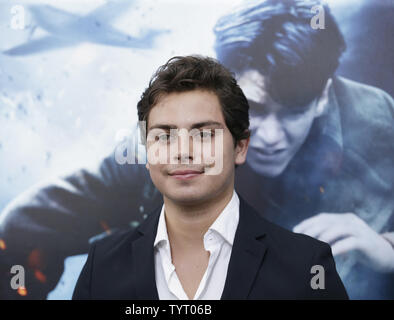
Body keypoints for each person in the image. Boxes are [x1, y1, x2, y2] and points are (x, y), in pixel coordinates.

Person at [0, 0, 393, 300]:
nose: (271, 135)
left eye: (295, 110)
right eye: (255, 109)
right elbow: (32, 225)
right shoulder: (167, 145)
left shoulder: (379, 125)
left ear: (323, 95)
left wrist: (388, 250)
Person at [72, 55, 347, 299]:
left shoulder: (305, 265)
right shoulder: (103, 266)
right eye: (164, 136)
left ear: (240, 147)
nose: (182, 152)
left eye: (203, 134)